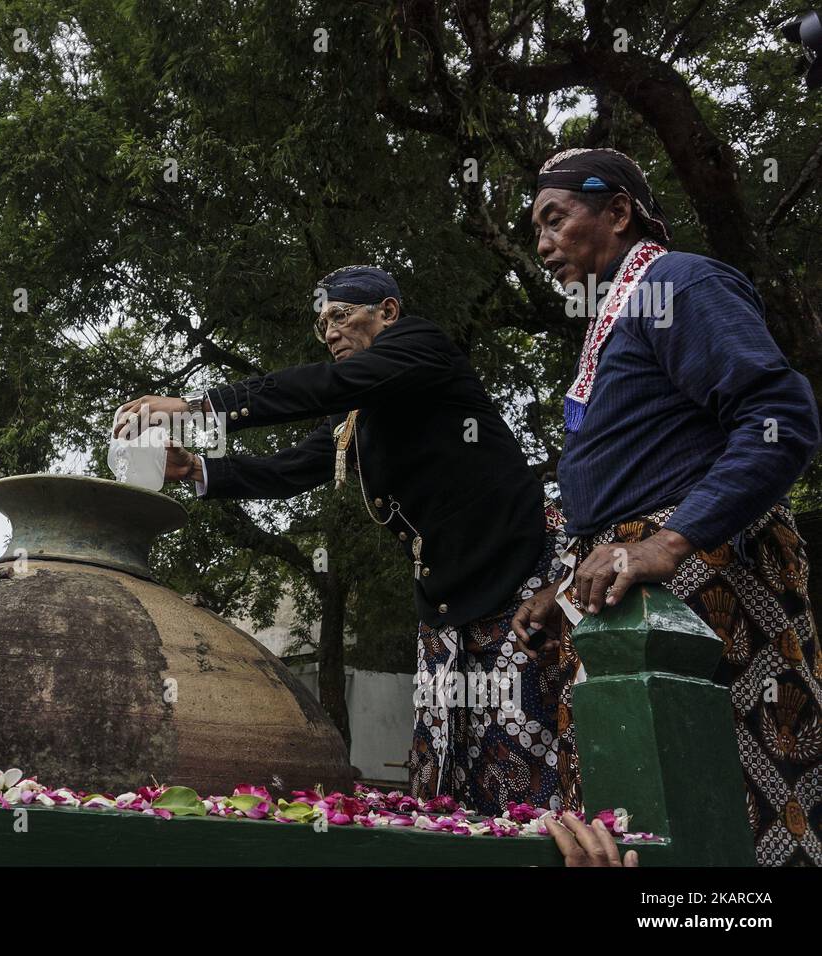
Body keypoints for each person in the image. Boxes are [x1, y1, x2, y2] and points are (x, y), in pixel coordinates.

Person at [116, 266, 573, 815]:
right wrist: (196, 470)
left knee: (530, 753)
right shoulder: (358, 413)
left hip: (520, 574)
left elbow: (328, 384)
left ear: (388, 313)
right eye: (321, 325)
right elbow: (297, 467)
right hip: (445, 598)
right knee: (450, 770)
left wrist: (202, 408)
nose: (329, 332)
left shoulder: (422, 346)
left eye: (340, 315)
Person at [515, 146, 822, 866]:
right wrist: (562, 592)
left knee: (724, 810)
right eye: (535, 229)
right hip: (631, 589)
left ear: (618, 211)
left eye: (555, 220)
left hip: (704, 587)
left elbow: (781, 417)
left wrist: (670, 542)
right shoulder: (617, 313)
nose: (542, 245)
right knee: (633, 822)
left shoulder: (678, 280)